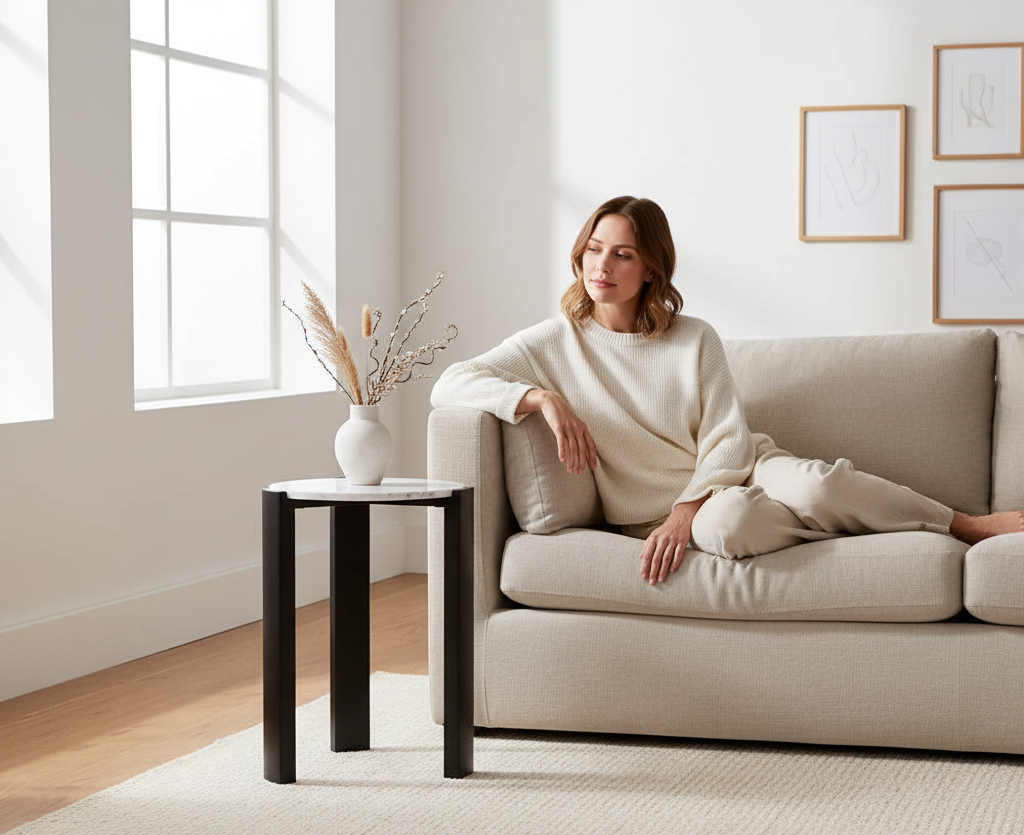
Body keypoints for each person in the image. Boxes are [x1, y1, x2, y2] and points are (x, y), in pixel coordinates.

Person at [431, 195, 1024, 585]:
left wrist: (685, 511)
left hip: (742, 470)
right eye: (593, 249)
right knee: (734, 528)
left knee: (819, 485)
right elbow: (451, 381)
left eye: (622, 254)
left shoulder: (694, 339)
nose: (600, 265)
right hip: (671, 514)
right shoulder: (552, 344)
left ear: (651, 270)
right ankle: (835, 518)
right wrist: (541, 399)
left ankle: (962, 524)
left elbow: (726, 440)